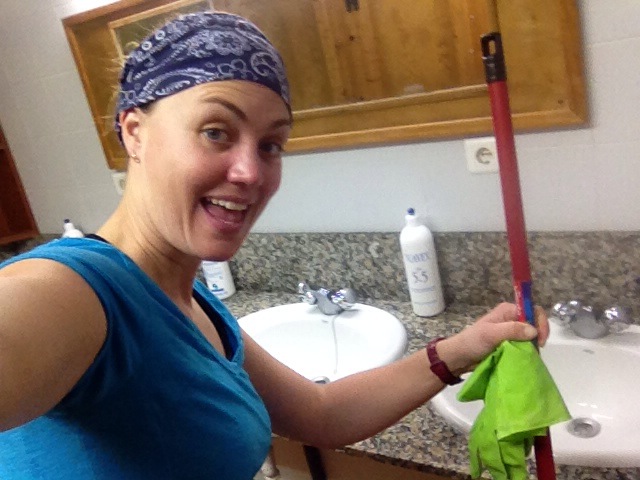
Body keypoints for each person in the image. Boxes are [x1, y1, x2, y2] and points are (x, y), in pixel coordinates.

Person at [0, 12, 548, 479]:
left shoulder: (193, 302)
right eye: (216, 131)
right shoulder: (75, 293)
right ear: (134, 132)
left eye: (271, 144)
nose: (250, 171)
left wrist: (462, 348)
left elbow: (322, 413)